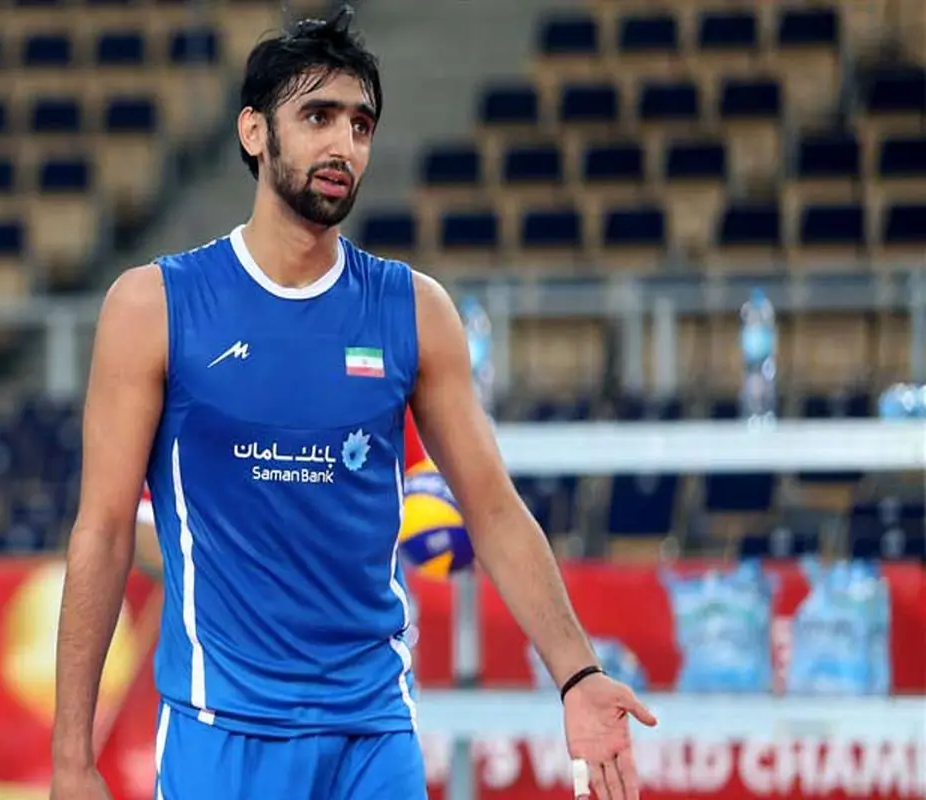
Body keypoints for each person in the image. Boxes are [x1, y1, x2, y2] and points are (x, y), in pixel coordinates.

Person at [51, 8, 657, 800]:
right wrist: (71, 760)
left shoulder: (414, 310)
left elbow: (493, 510)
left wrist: (578, 675)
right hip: (223, 732)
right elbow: (102, 533)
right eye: (318, 117)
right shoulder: (154, 307)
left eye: (361, 125)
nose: (344, 144)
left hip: (373, 735)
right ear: (254, 131)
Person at [131, 408, 429, 579]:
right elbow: (140, 527)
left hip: (364, 642)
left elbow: (421, 490)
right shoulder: (194, 383)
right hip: (222, 651)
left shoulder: (374, 373)